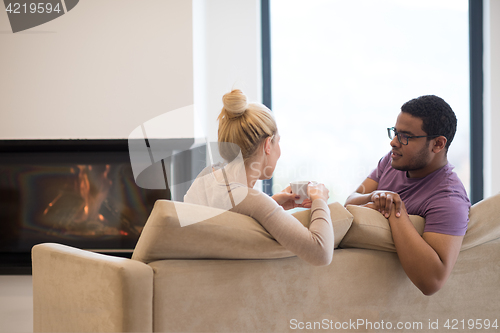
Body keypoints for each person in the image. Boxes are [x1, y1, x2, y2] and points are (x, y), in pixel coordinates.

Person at [184, 89, 333, 266]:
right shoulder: (251, 200)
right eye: (278, 142)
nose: (280, 151)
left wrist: (272, 203)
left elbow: (229, 216)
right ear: (268, 145)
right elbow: (320, 252)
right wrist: (320, 199)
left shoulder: (209, 174)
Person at [345, 95, 470, 295]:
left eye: (405, 136)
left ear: (437, 144)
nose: (394, 143)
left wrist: (397, 211)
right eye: (395, 133)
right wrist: (374, 196)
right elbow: (349, 202)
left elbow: (432, 282)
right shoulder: (393, 161)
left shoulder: (449, 199)